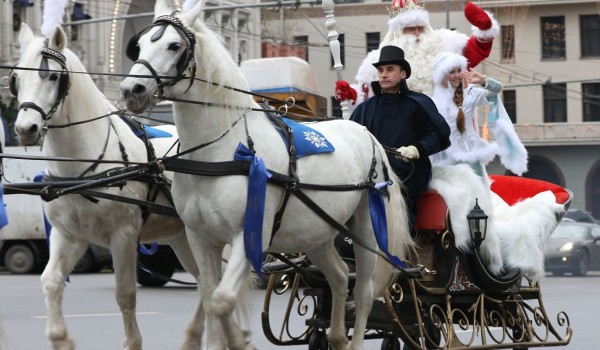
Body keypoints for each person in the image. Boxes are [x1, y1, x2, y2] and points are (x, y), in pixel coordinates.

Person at [336, 0, 500, 110]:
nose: (416, 34)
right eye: (410, 28)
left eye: (420, 28)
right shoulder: (377, 59)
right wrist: (350, 94)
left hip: (448, 126)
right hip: (403, 130)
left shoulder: (446, 44)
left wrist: (484, 29)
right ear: (398, 31)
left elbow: (476, 50)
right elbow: (367, 96)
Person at [350, 46, 450, 224]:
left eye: (390, 69)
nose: (384, 74)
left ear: (403, 74)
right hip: (370, 178)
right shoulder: (365, 108)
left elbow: (436, 135)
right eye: (380, 70)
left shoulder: (418, 103)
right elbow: (351, 141)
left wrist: (416, 149)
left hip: (408, 178)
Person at [429, 51, 528, 186]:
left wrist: (483, 80)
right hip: (447, 160)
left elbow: (496, 90)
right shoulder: (433, 101)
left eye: (459, 70)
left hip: (470, 155)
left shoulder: (470, 92)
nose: (457, 75)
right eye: (452, 71)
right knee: (453, 199)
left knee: (477, 198)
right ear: (443, 75)